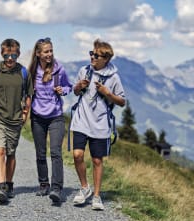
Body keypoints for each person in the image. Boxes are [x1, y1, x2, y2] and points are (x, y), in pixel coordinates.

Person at [70, 39, 126, 210]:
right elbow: (75, 91)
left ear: (106, 59)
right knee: (77, 155)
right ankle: (85, 188)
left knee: (97, 160)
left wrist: (107, 93)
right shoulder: (83, 71)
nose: (92, 57)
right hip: (81, 120)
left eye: (96, 55)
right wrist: (79, 86)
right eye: (91, 53)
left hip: (100, 124)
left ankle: (96, 196)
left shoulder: (113, 77)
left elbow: (122, 101)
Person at [0, 38, 33, 203]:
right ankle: (1, 186)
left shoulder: (24, 73)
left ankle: (9, 184)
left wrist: (25, 114)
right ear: (2, 54)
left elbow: (29, 96)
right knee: (0, 151)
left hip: (15, 120)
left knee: (11, 153)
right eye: (6, 56)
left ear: (18, 54)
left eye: (13, 55)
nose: (10, 59)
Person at [28, 37, 72, 203]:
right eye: (46, 51)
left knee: (55, 151)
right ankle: (44, 184)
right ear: (38, 54)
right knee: (40, 153)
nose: (49, 54)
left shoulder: (58, 70)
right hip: (37, 117)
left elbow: (69, 86)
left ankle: (56, 188)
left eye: (51, 51)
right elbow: (27, 92)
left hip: (56, 117)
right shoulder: (32, 71)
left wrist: (63, 90)